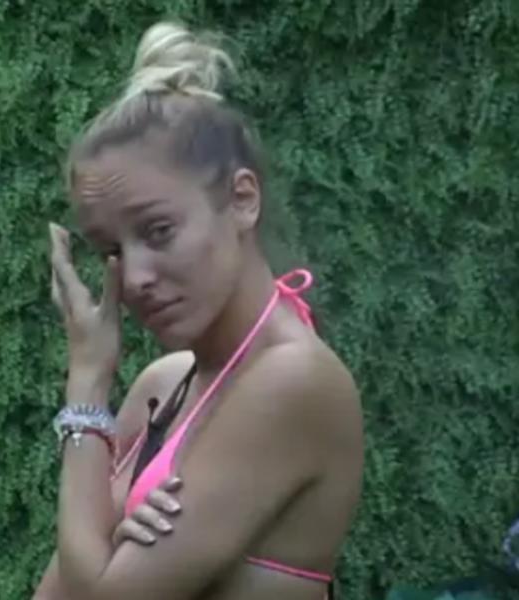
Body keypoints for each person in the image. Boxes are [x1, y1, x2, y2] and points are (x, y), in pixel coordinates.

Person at [33, 21, 364, 600]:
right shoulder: (163, 384)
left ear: (242, 200)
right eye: (112, 250)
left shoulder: (294, 381)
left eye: (158, 230)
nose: (135, 276)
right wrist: (105, 554)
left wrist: (87, 385)